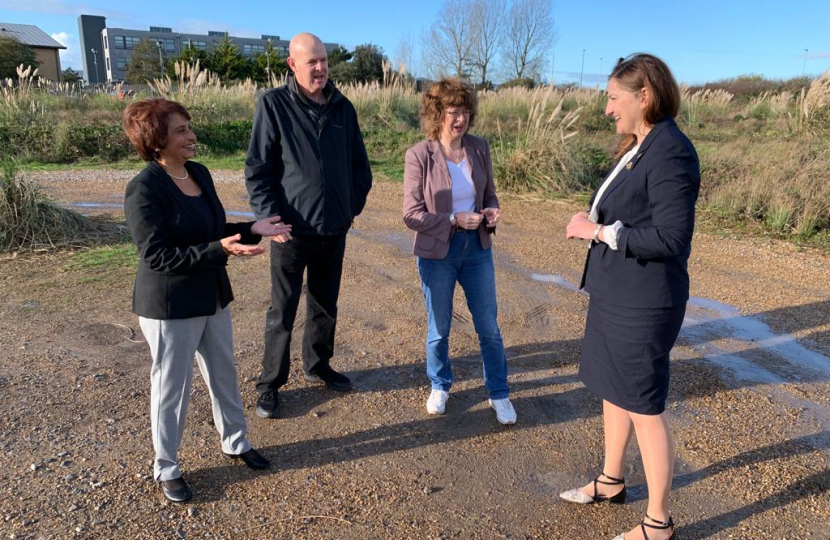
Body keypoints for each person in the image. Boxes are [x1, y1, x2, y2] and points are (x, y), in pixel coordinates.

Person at [560, 54, 700, 540]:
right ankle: (611, 480)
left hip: (645, 302)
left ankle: (659, 523)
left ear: (644, 96)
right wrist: (599, 223)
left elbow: (671, 238)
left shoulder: (671, 152)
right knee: (612, 387)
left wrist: (599, 231)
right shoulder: (641, 144)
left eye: (613, 98)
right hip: (616, 293)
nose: (606, 109)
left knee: (644, 403)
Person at [123, 98, 290, 503]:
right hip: (170, 305)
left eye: (189, 127)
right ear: (156, 139)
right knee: (171, 388)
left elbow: (213, 230)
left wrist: (253, 227)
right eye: (180, 130)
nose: (191, 135)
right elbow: (158, 256)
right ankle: (167, 466)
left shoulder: (198, 173)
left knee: (223, 372)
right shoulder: (143, 189)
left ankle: (235, 441)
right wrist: (223, 251)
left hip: (212, 295)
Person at [245, 32, 372, 419]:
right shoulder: (274, 105)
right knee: (281, 310)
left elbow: (359, 168)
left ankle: (318, 365)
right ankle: (270, 383)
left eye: (323, 61)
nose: (319, 68)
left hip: (333, 229)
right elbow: (258, 169)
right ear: (292, 65)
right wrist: (270, 218)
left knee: (324, 303)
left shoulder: (342, 108)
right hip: (290, 231)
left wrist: (349, 209)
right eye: (311, 62)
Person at [403, 78, 516, 425]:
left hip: (478, 248)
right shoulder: (419, 155)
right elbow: (411, 214)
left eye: (465, 112)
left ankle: (499, 393)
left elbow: (490, 195)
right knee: (439, 328)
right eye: (453, 112)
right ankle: (440, 385)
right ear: (437, 114)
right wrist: (452, 218)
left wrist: (492, 211)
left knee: (489, 327)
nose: (460, 120)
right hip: (439, 251)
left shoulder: (479, 148)